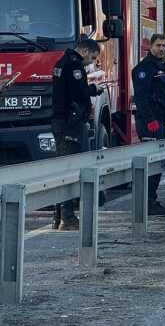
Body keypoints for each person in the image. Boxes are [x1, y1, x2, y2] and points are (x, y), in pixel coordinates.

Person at [51, 38, 104, 230]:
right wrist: (94, 89)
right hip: (69, 123)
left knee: (62, 168)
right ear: (85, 51)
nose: (91, 62)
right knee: (69, 169)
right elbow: (78, 93)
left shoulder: (60, 62)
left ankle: (59, 217)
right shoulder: (74, 65)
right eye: (93, 57)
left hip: (61, 121)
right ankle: (67, 218)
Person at [132, 33, 165, 216]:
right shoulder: (144, 69)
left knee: (159, 162)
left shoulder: (163, 68)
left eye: (164, 45)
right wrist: (150, 120)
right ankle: (147, 201)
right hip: (150, 122)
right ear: (151, 46)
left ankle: (151, 199)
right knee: (152, 162)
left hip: (162, 119)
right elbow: (141, 98)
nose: (162, 49)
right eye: (158, 45)